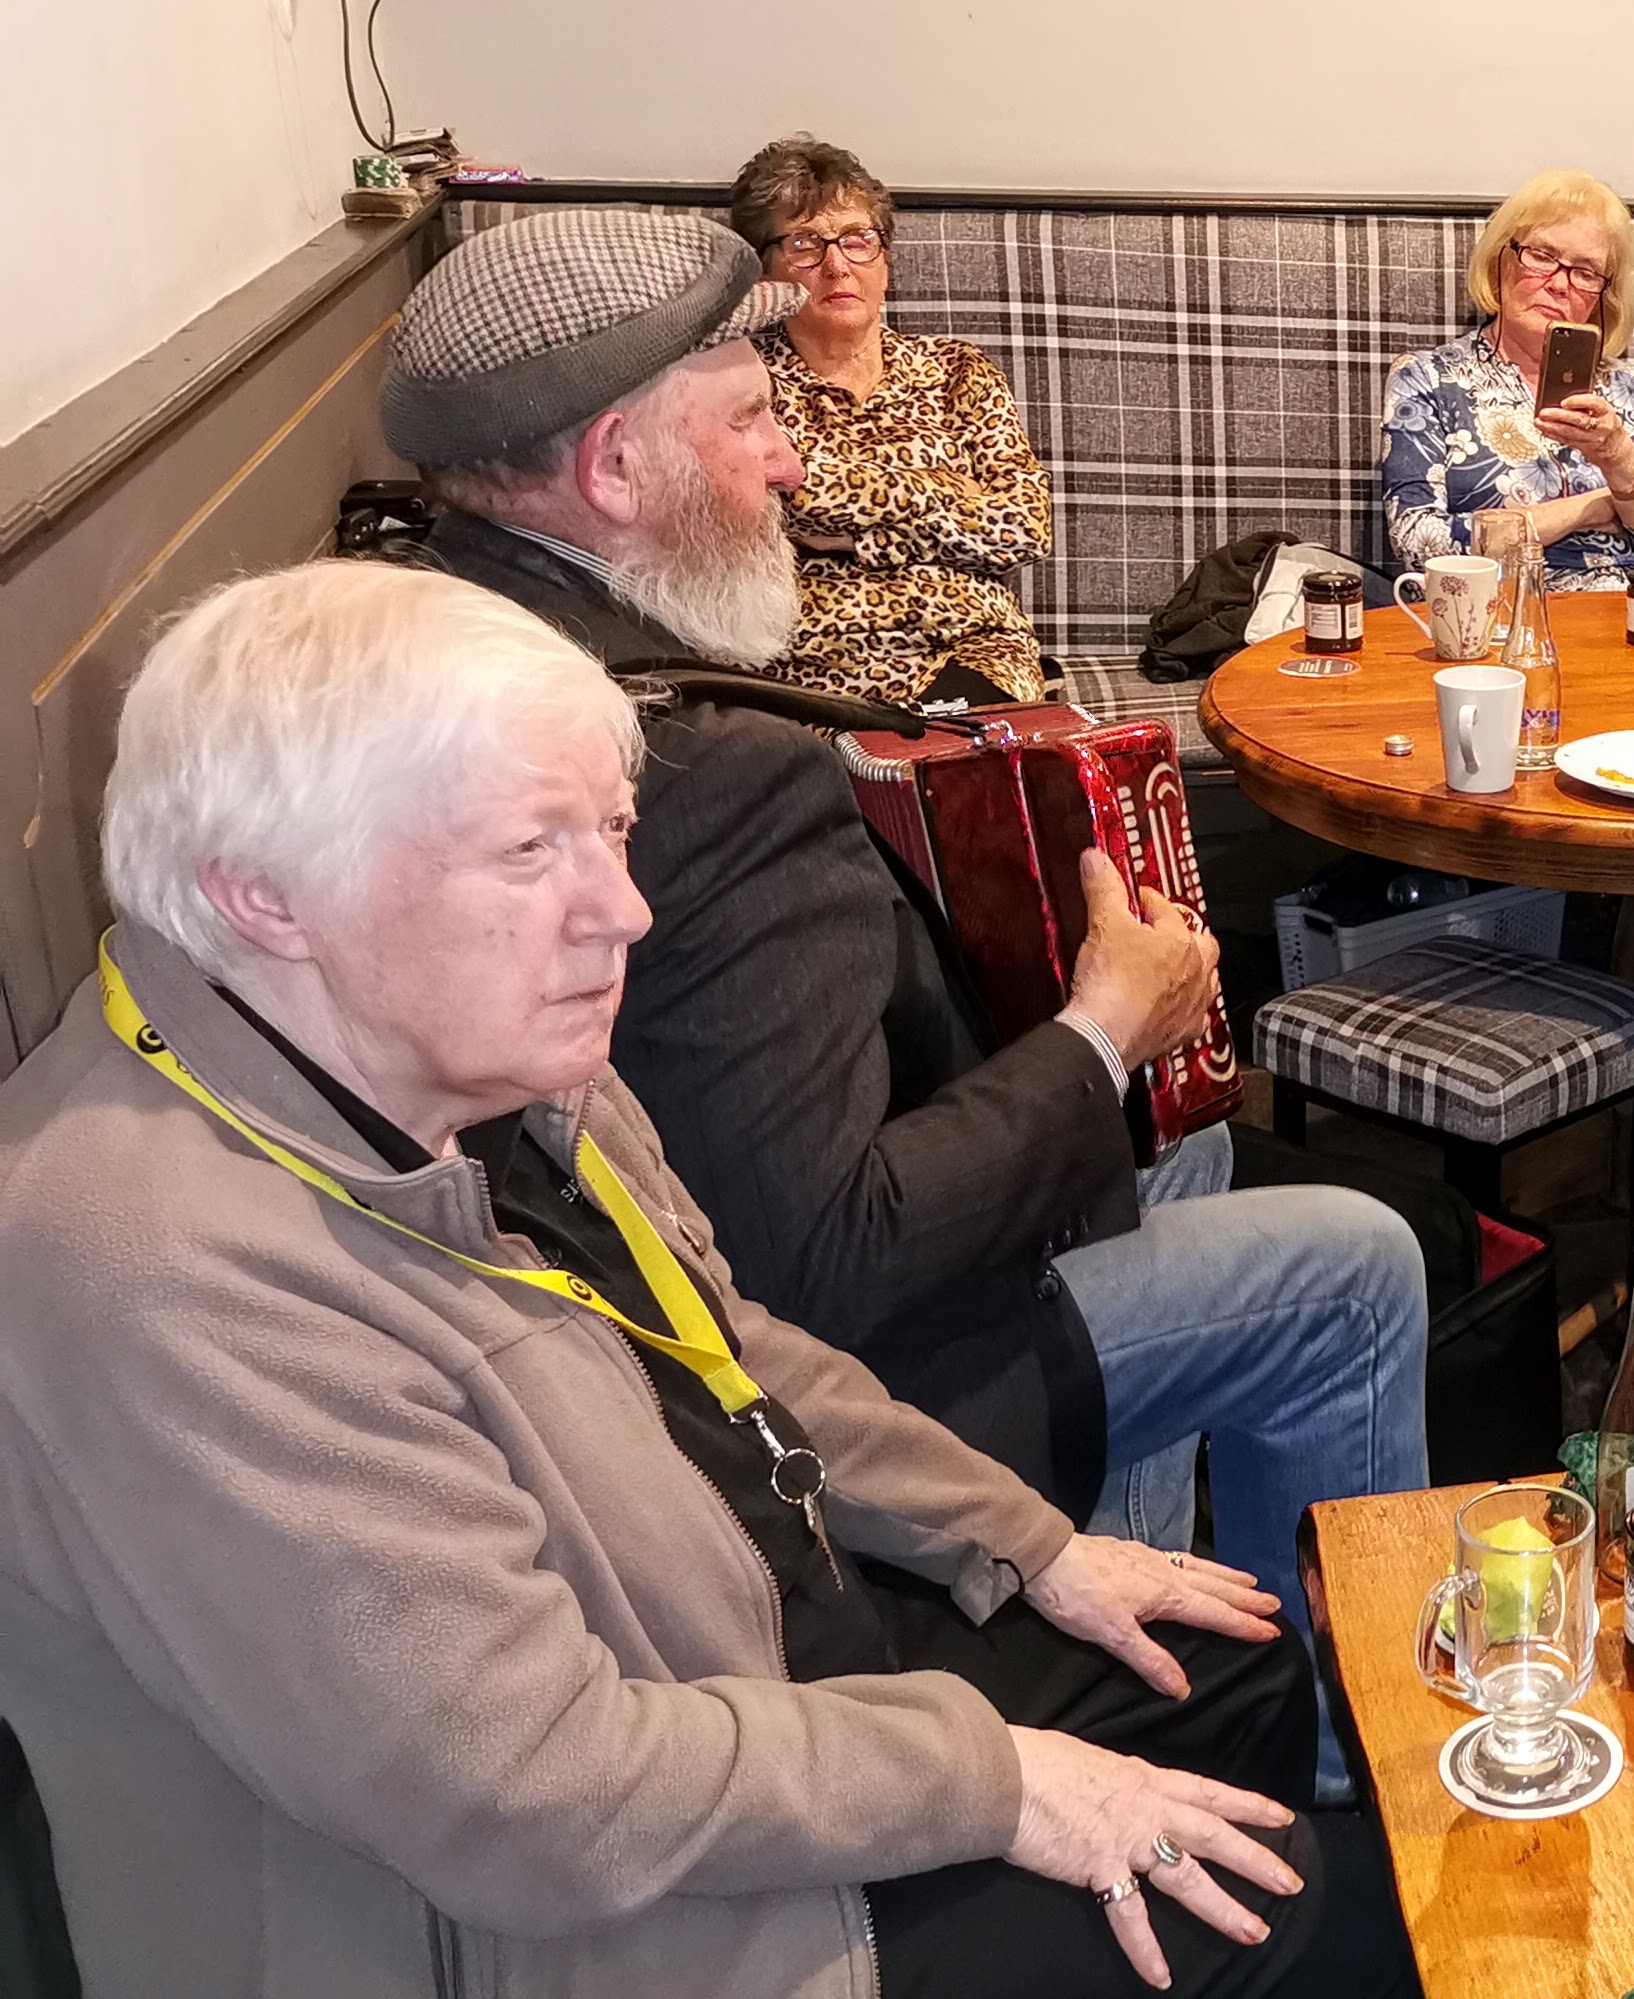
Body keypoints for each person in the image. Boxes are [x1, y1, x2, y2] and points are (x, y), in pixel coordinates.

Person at [0, 561, 1412, 1999]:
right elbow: (535, 1793)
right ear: (264, 897)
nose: (623, 910)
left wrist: (1022, 1540)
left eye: (611, 830)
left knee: (1227, 1663)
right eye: (530, 850)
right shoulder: (153, 1270)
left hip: (727, 1651)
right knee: (1308, 1916)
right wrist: (996, 1777)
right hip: (569, 1924)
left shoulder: (470, 1053)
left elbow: (729, 1347)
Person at [385, 208, 1428, 1797]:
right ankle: (1354, 1770)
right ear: (613, 466)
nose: (791, 466)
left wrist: (1095, 1060)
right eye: (752, 418)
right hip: (820, 1387)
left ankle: (1145, 1618)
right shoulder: (709, 772)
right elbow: (827, 1259)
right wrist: (1095, 1032)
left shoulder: (428, 640)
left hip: (622, 1292)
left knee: (1186, 1138)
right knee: (1357, 1261)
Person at [726, 137, 1057, 705]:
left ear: (884, 261)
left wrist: (857, 532)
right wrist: (949, 493)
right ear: (765, 271)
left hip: (975, 649)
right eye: (804, 244)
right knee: (882, 753)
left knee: (968, 744)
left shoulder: (956, 371)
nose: (837, 265)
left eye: (858, 240)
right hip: (813, 665)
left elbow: (1024, 527)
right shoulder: (741, 379)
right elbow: (770, 511)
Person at [1379, 168, 1634, 590]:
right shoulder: (1426, 379)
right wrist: (1591, 507)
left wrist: (1619, 458)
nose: (1560, 284)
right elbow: (1420, 547)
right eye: (1542, 256)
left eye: (1586, 272)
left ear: (1602, 297)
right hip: (1495, 615)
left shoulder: (1628, 389)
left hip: (1623, 613)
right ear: (1501, 261)